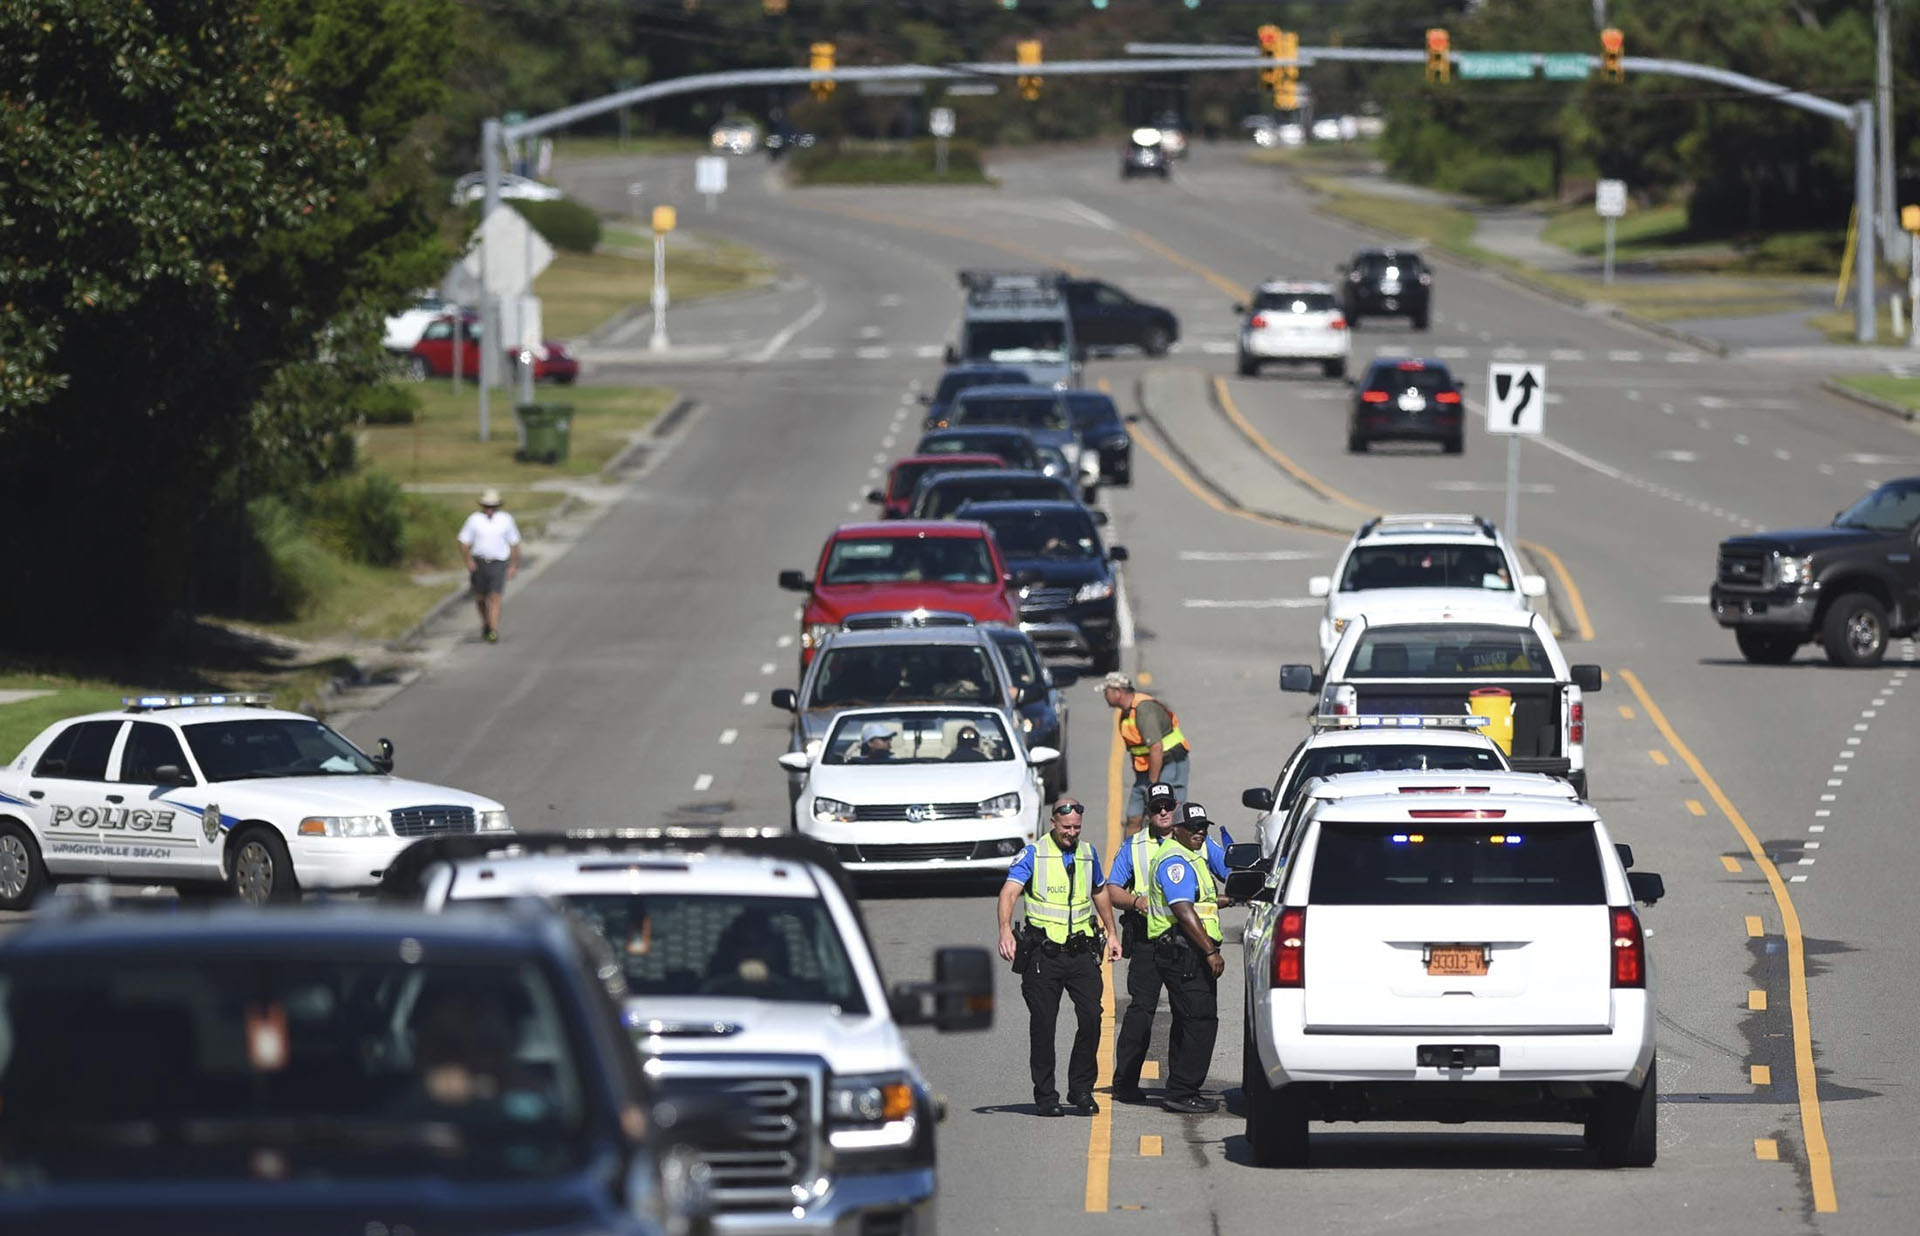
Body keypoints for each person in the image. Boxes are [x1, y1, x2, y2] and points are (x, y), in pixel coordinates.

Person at [1105, 784, 1234, 1103]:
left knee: (1187, 1013)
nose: (1162, 811)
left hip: (1186, 940)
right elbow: (1112, 889)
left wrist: (1228, 892)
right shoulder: (1135, 846)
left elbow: (1228, 873)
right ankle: (1126, 1082)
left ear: (1175, 809)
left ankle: (1180, 1084)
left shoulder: (1198, 839)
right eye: (1155, 807)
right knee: (1141, 1012)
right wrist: (1136, 902)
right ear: (1148, 811)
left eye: (1167, 806)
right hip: (1150, 940)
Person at [996, 798, 1122, 1118]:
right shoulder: (1034, 854)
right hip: (1044, 954)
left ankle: (1081, 1090)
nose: (1071, 833)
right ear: (1053, 822)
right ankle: (1046, 1096)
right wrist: (1005, 930)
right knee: (1043, 1025)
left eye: (1077, 827)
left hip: (1081, 951)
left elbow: (1099, 892)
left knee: (1092, 1017)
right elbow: (1010, 891)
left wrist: (1112, 931)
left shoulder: (1087, 852)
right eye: (1066, 827)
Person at [1147, 802, 1224, 1114]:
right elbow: (1183, 909)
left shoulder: (1191, 856)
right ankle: (1182, 1091)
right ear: (1175, 829)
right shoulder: (1175, 860)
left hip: (1185, 951)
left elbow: (1197, 901)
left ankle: (1181, 1087)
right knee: (1200, 1022)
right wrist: (1210, 950)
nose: (1199, 832)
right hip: (1185, 953)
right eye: (1192, 827)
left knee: (1187, 1021)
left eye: (1203, 826)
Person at [1100, 672, 1190, 836]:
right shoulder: (1126, 713)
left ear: (1118, 692)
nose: (1104, 696)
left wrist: (1153, 786)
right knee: (1133, 816)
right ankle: (1128, 855)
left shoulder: (1143, 709)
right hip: (1148, 770)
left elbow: (1156, 747)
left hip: (1169, 763)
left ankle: (1175, 852)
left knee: (1170, 814)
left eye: (1106, 691)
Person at [457, 488, 521, 643]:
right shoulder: (474, 520)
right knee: (480, 597)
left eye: (493, 507)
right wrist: (468, 560)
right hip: (479, 562)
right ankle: (485, 623)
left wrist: (513, 565)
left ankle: (493, 629)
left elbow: (515, 542)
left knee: (495, 596)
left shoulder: (505, 519)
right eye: (487, 506)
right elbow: (463, 541)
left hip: (498, 563)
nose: (490, 510)